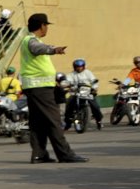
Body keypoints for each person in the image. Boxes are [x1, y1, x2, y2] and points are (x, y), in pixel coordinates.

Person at [17, 13, 86, 163]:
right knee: (54, 121)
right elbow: (38, 48)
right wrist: (54, 49)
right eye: (46, 25)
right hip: (40, 88)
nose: (47, 28)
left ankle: (39, 155)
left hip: (35, 87)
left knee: (38, 122)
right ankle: (65, 154)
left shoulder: (28, 40)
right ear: (42, 26)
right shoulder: (31, 41)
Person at [63, 58, 103, 130]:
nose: (79, 68)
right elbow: (67, 81)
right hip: (75, 93)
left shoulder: (88, 73)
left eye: (81, 66)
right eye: (77, 67)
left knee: (96, 107)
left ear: (83, 66)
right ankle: (68, 123)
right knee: (68, 106)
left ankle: (99, 121)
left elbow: (94, 81)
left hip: (87, 93)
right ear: (74, 67)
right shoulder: (71, 74)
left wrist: (94, 88)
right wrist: (67, 85)